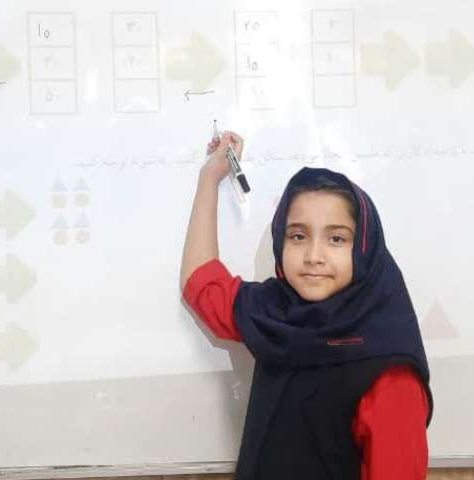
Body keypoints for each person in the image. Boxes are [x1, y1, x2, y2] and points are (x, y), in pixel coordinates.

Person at [180, 131, 433, 480]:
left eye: (336, 238)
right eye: (298, 236)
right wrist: (210, 178)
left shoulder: (390, 373)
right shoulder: (275, 316)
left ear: (365, 247)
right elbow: (202, 284)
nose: (314, 256)